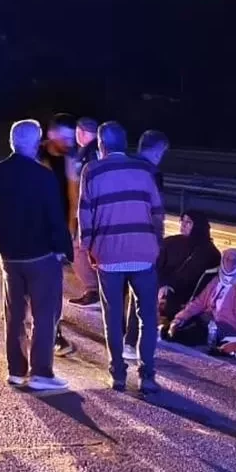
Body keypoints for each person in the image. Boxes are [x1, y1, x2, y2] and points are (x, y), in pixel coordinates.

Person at [0, 119, 73, 391]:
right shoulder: (42, 176)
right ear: (35, 143)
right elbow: (54, 218)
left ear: (12, 142)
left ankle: (16, 371)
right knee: (45, 314)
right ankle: (41, 372)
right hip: (41, 256)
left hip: (10, 258)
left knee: (15, 314)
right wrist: (61, 250)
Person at [79, 121, 164, 393]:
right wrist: (155, 244)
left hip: (109, 256)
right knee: (147, 318)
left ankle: (117, 373)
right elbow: (157, 212)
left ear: (101, 145)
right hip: (143, 254)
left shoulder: (91, 170)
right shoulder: (143, 169)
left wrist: (89, 248)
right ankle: (147, 375)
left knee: (113, 315)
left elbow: (85, 215)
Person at [119, 129, 171, 358]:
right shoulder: (152, 173)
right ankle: (133, 343)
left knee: (116, 291)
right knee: (143, 293)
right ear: (159, 149)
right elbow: (155, 211)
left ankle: (121, 342)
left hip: (117, 237)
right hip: (142, 238)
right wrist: (158, 241)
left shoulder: (124, 166)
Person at [168, 248, 236, 347]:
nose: (230, 264)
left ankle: (178, 337)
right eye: (227, 260)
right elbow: (199, 303)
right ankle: (173, 332)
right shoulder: (217, 281)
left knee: (197, 334)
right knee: (185, 323)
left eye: (234, 261)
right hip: (213, 321)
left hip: (235, 328)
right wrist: (180, 318)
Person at [38, 113, 79, 357]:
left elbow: (73, 199)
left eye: (71, 138)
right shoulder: (35, 156)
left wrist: (70, 232)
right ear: (51, 135)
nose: (69, 142)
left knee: (53, 287)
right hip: (35, 231)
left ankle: (53, 332)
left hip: (56, 234)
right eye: (65, 137)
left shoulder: (68, 160)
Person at [154, 211, 222, 324]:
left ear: (198, 226)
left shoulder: (208, 252)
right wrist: (162, 284)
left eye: (189, 222)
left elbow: (191, 275)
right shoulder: (170, 242)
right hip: (161, 289)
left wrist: (169, 286)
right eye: (182, 221)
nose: (183, 225)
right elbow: (157, 263)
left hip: (184, 298)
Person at [68, 117, 102, 309]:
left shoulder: (86, 153)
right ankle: (100, 290)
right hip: (99, 210)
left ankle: (93, 290)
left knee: (77, 249)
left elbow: (81, 186)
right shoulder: (101, 149)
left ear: (79, 132)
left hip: (86, 211)